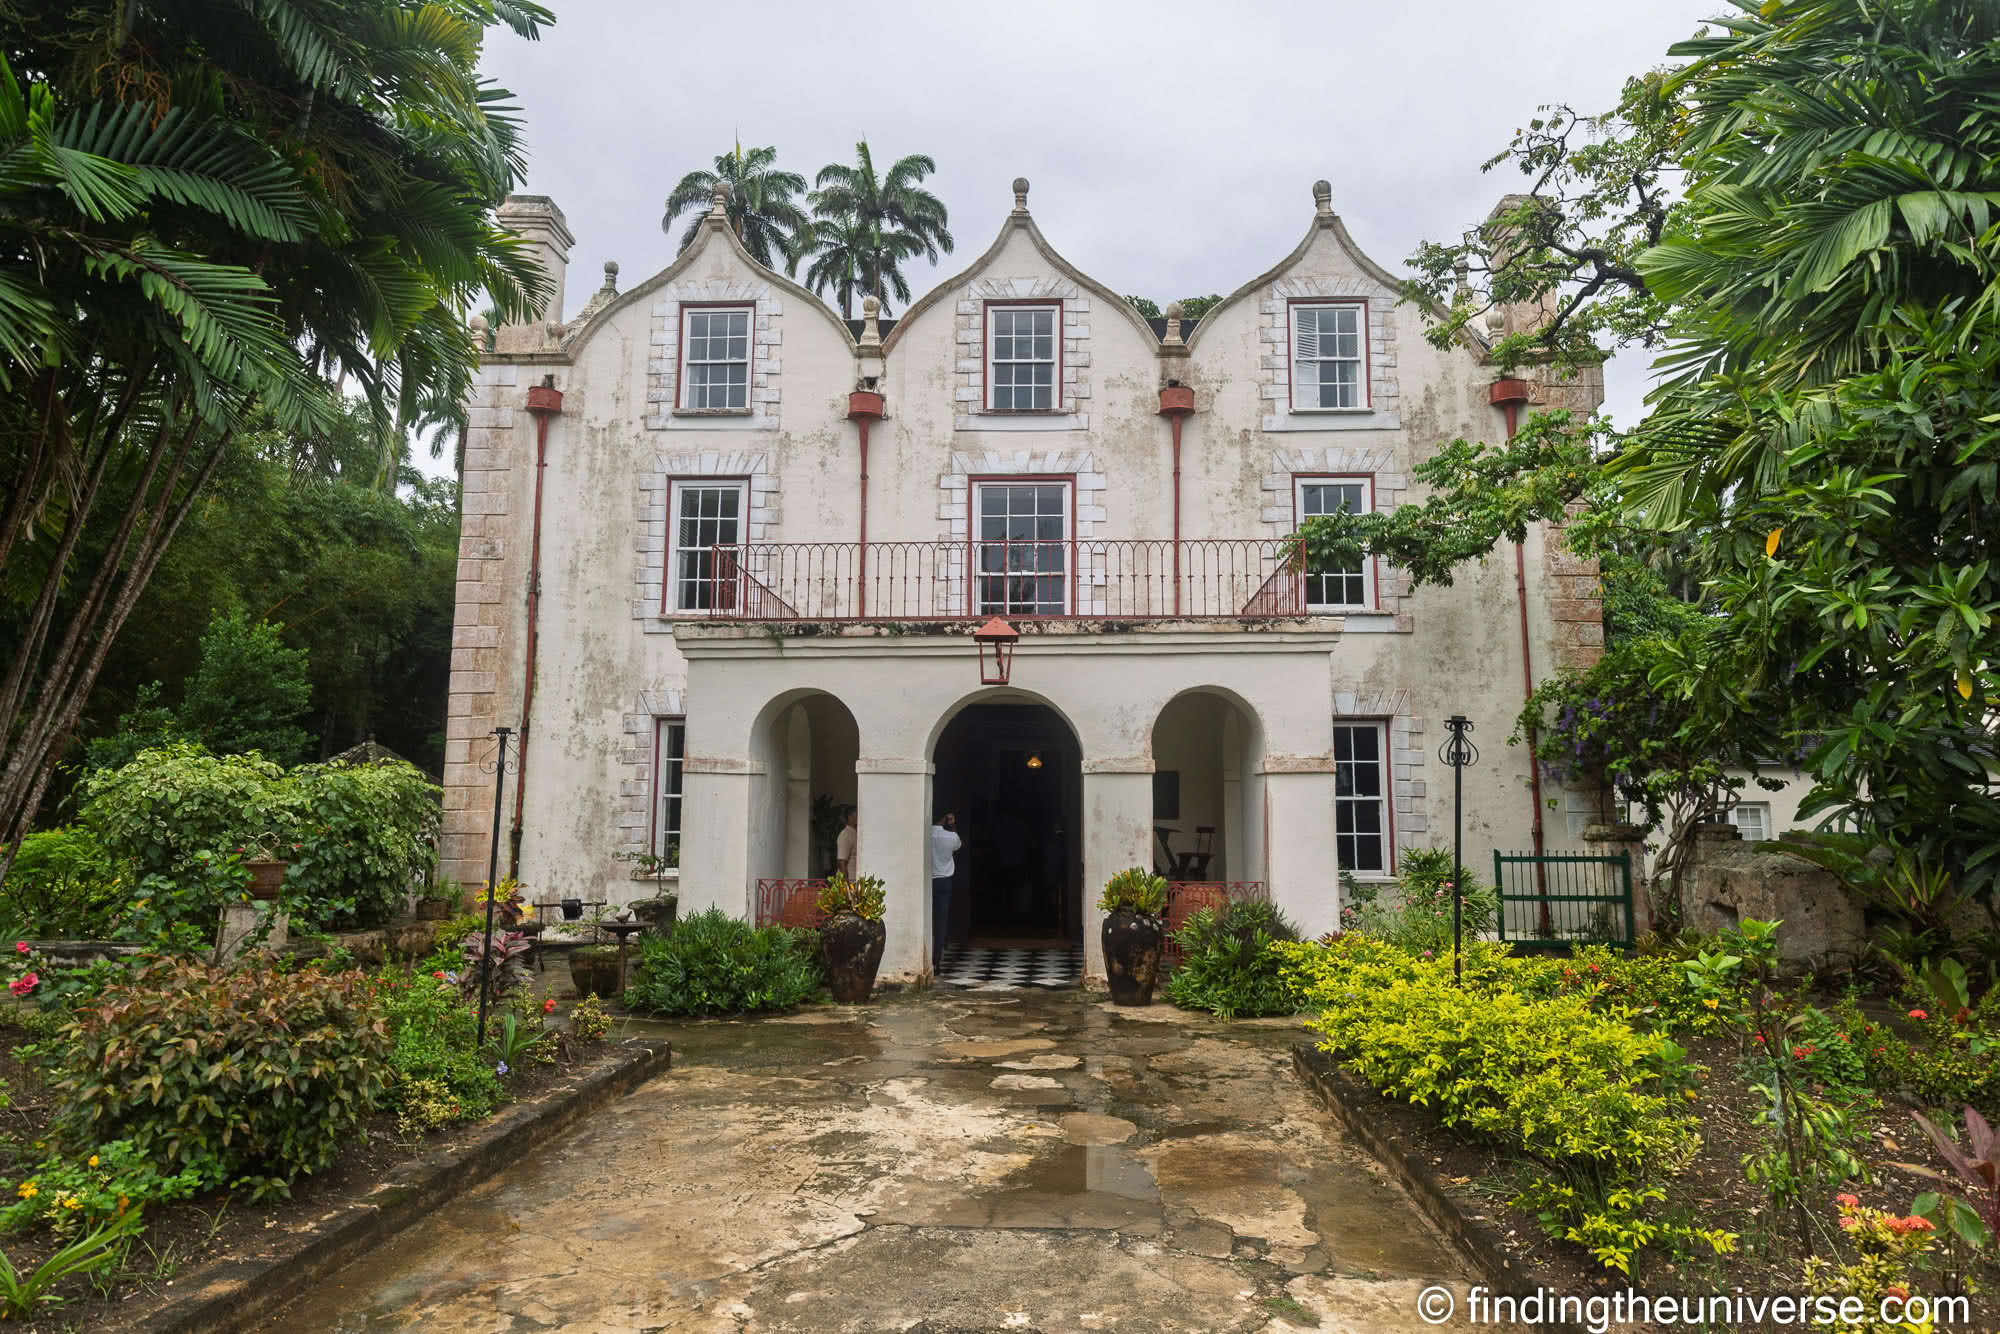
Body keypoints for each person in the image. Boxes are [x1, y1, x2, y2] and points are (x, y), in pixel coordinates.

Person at [930, 811, 962, 969]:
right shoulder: (951, 837)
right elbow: (958, 844)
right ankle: (937, 961)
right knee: (940, 921)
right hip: (944, 880)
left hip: (928, 881)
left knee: (926, 920)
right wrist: (952, 825)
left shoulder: (926, 833)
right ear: (946, 819)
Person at [835, 805, 858, 880]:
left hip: (857, 881)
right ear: (850, 816)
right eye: (857, 814)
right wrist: (847, 885)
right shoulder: (845, 834)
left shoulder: (855, 833)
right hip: (849, 882)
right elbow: (842, 862)